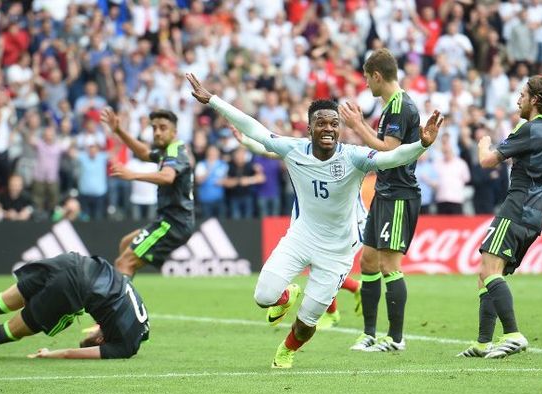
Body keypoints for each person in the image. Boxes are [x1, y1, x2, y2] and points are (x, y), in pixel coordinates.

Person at [186, 72, 443, 368]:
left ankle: (287, 350)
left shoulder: (354, 157)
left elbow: (390, 159)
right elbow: (255, 129)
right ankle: (285, 296)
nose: (328, 129)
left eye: (334, 123)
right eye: (321, 123)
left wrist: (421, 145)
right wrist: (214, 101)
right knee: (263, 297)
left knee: (307, 322)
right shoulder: (293, 149)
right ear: (309, 128)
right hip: (301, 237)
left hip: (337, 251)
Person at [230, 125, 363, 330]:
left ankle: (334, 310)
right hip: (313, 225)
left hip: (348, 227)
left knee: (322, 270)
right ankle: (347, 296)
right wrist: (248, 142)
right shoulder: (305, 155)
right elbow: (275, 152)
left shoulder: (349, 158)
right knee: (317, 268)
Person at [339, 48, 422, 352]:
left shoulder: (400, 106)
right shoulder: (390, 106)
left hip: (399, 194)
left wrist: (357, 126)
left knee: (389, 264)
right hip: (384, 192)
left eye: (366, 79)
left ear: (377, 75)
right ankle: (370, 333)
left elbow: (388, 150)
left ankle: (396, 339)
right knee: (368, 261)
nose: (366, 85)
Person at [457, 76, 542, 359]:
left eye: (522, 94)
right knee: (486, 273)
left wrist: (483, 143)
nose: (518, 99)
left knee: (491, 271)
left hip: (516, 207)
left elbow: (487, 161)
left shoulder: (531, 129)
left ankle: (512, 334)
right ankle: (483, 342)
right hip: (534, 213)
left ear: (535, 100)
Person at [0, 252, 149, 359]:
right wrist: (49, 354)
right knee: (10, 331)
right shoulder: (124, 348)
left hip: (74, 262)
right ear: (102, 340)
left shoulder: (143, 327)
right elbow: (71, 353)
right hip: (73, 287)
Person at [100, 108, 195, 277]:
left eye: (163, 128)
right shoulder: (166, 151)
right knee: (125, 244)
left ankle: (121, 302)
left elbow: (167, 177)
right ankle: (124, 296)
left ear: (174, 131)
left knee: (123, 263)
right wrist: (119, 130)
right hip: (169, 220)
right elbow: (144, 153)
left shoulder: (174, 151)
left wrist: (133, 175)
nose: (157, 133)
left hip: (173, 223)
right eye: (154, 128)